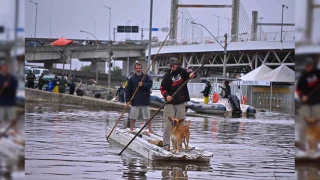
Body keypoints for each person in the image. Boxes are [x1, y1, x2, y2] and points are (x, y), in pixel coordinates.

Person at [160, 57, 196, 151]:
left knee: (180, 124)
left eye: (174, 64)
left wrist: (193, 75)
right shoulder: (167, 75)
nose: (173, 66)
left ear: (178, 65)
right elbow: (162, 88)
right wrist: (166, 95)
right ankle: (166, 144)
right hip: (169, 103)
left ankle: (179, 145)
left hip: (180, 101)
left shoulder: (183, 71)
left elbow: (192, 72)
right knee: (168, 124)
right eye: (171, 65)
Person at [125, 63, 153, 132]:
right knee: (133, 116)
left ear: (141, 69)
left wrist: (143, 84)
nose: (138, 70)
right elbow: (128, 90)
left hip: (144, 100)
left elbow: (150, 84)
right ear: (135, 69)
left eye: (139, 68)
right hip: (135, 100)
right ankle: (131, 129)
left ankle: (150, 129)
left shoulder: (147, 77)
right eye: (137, 68)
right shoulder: (131, 78)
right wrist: (127, 100)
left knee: (147, 116)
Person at [0, 61, 19, 134]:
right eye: (3, 68)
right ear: (1, 69)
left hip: (10, 101)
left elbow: (15, 85)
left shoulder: (11, 77)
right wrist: (3, 86)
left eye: (5, 68)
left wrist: (9, 85)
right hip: (1, 102)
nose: (4, 69)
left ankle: (15, 130)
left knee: (13, 118)